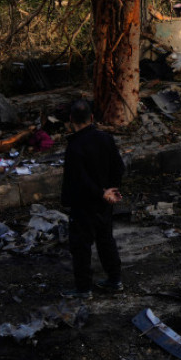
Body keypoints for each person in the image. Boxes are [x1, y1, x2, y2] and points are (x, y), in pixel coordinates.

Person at [60, 99, 125, 298]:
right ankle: (114, 280)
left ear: (71, 119)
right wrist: (111, 190)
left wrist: (99, 192)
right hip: (104, 203)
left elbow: (80, 179)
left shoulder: (74, 147)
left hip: (84, 204)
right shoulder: (106, 138)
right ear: (91, 117)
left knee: (81, 247)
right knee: (106, 240)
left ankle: (83, 288)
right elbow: (119, 166)